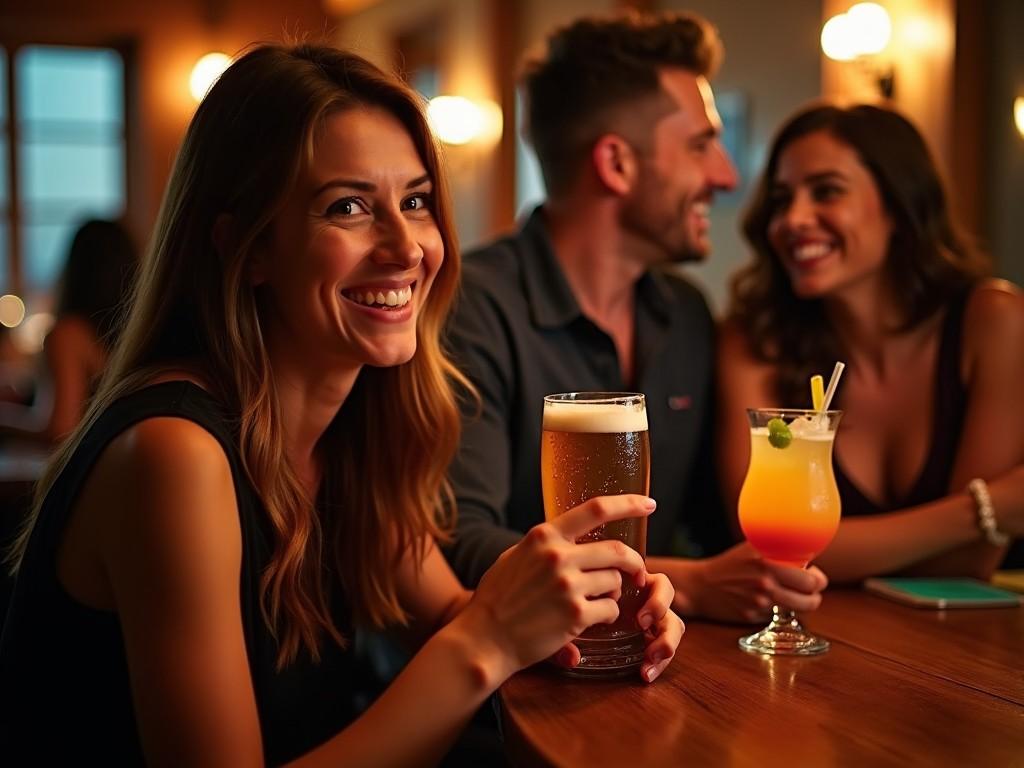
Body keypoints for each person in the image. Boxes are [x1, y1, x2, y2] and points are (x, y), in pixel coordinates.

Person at [0, 43, 683, 765]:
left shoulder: (351, 436)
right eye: (349, 206)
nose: (407, 247)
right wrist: (490, 638)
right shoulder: (174, 456)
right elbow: (473, 636)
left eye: (415, 201)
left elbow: (451, 614)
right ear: (247, 249)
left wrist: (586, 624)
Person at [443, 11, 827, 624]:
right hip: (511, 690)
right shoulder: (470, 306)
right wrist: (690, 584)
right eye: (701, 145)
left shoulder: (686, 312)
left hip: (650, 662)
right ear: (616, 163)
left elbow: (714, 523)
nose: (726, 176)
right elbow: (460, 546)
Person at [719, 103, 1024, 583]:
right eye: (781, 200)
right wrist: (987, 509)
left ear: (900, 205)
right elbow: (761, 545)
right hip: (816, 636)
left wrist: (839, 551)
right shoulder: (755, 339)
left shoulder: (993, 321)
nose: (793, 219)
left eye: (826, 192)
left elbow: (971, 561)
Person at [0, 218, 136, 445]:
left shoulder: (68, 334)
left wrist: (4, 421)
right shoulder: (136, 329)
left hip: (89, 472)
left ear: (75, 268)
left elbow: (61, 430)